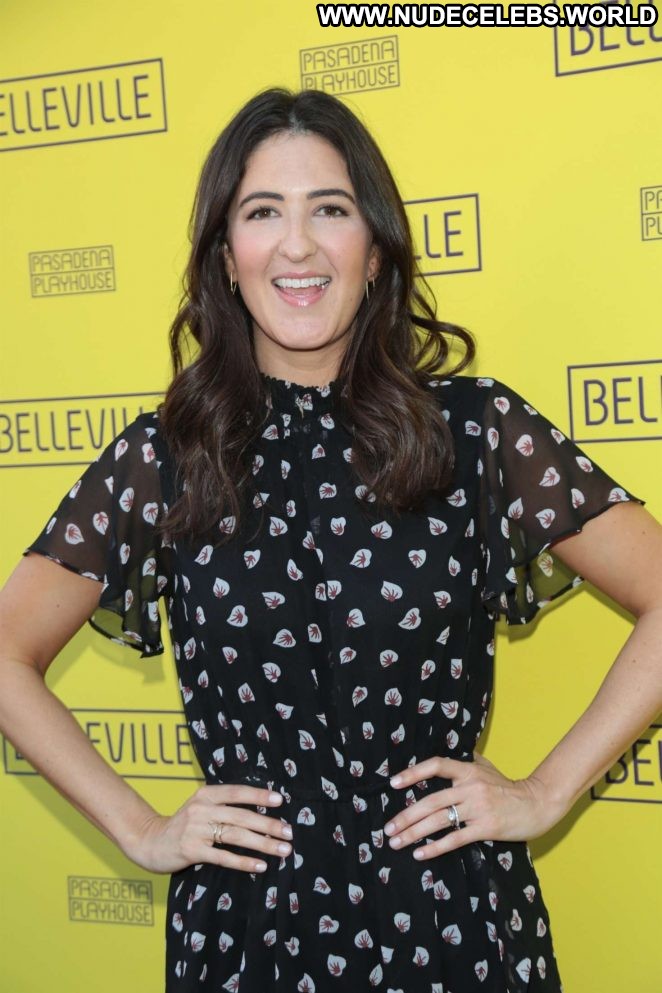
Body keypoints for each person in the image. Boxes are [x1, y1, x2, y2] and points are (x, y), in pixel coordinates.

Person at [0, 87, 660, 993]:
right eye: (263, 212)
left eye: (332, 210)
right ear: (226, 256)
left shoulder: (475, 433)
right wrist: (142, 827)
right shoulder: (168, 456)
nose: (298, 245)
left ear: (376, 250)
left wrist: (545, 791)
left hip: (449, 919)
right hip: (248, 931)